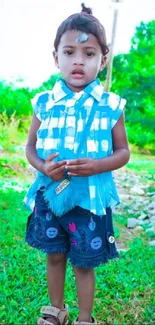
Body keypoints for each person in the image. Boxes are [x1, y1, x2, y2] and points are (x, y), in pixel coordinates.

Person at [24, 3, 130, 325]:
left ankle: (85, 318)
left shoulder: (111, 105)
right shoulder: (43, 102)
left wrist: (99, 165)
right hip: (51, 195)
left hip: (89, 198)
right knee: (54, 254)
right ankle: (56, 311)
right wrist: (42, 166)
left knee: (83, 262)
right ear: (56, 58)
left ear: (103, 59)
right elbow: (30, 147)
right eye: (69, 52)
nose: (78, 61)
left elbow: (123, 152)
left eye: (89, 53)